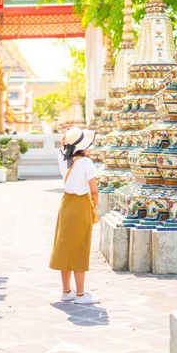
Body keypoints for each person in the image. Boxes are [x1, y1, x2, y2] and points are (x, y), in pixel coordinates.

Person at [49, 126, 99, 304]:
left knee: (65, 246)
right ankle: (80, 294)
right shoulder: (86, 163)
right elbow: (93, 191)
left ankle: (66, 291)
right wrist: (95, 207)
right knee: (80, 247)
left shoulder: (62, 159)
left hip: (66, 203)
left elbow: (63, 149)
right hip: (80, 204)